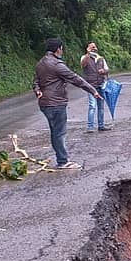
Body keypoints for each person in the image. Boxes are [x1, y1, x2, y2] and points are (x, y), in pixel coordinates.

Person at [33, 38, 101, 170]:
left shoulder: (40, 63)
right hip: (56, 103)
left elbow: (35, 81)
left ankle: (61, 158)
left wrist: (37, 90)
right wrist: (93, 90)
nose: (62, 50)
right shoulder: (57, 65)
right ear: (58, 49)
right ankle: (63, 161)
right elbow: (75, 78)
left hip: (44, 103)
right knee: (59, 133)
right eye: (61, 48)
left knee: (55, 132)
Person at [80, 42, 110, 131]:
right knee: (92, 105)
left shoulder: (100, 58)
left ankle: (101, 125)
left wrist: (103, 71)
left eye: (94, 47)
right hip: (91, 86)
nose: (94, 48)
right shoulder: (84, 57)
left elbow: (107, 69)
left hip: (101, 84)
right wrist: (88, 53)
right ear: (87, 48)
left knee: (101, 106)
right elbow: (83, 65)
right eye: (91, 47)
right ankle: (90, 126)